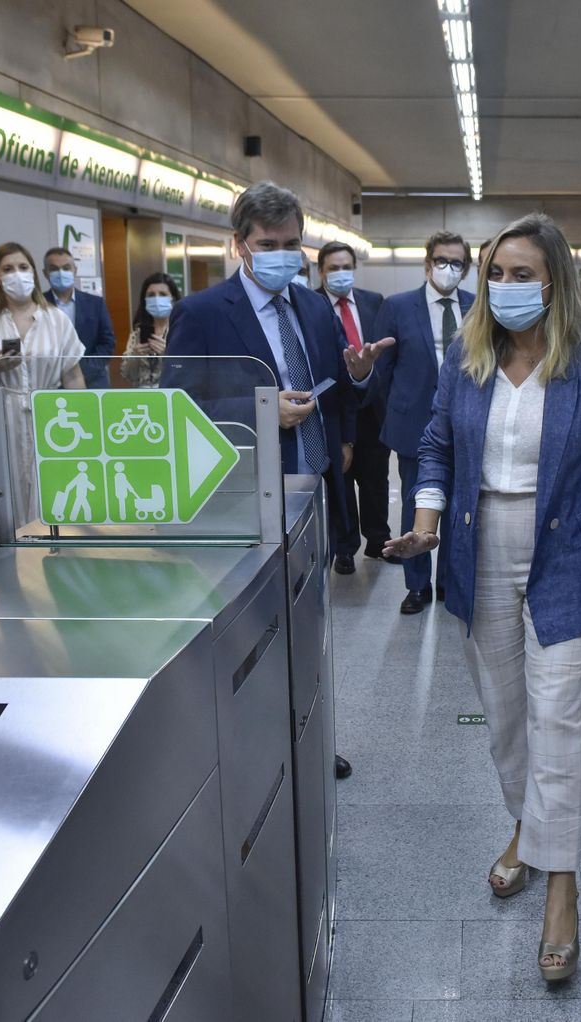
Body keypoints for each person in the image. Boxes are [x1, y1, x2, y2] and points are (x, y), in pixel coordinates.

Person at [384, 212, 581, 983]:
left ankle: (562, 884)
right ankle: (526, 831)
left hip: (571, 549)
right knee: (505, 718)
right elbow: (437, 445)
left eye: (522, 274)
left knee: (556, 714)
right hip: (479, 546)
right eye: (495, 274)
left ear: (555, 282)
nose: (504, 287)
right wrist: (426, 525)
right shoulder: (468, 354)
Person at [165, 181, 380, 783]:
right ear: (240, 245)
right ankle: (254, 750)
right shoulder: (204, 313)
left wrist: (358, 380)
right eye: (268, 244)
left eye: (292, 244)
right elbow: (175, 407)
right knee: (255, 632)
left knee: (310, 625)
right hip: (249, 497)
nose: (282, 255)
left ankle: (310, 738)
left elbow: (337, 388)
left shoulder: (312, 306)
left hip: (315, 490)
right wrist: (261, 410)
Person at [369, 230, 475, 614]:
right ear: (428, 263)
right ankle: (417, 586)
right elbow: (382, 372)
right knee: (416, 502)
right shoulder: (397, 307)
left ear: (466, 269)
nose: (448, 268)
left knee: (458, 507)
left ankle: (448, 582)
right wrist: (398, 413)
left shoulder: (477, 307)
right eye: (441, 260)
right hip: (414, 423)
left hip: (464, 424)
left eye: (456, 262)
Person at [317, 241, 390, 574]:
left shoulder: (374, 301)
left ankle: (378, 540)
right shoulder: (313, 305)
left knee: (375, 479)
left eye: (346, 267)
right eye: (334, 268)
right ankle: (345, 548)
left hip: (371, 405)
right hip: (334, 405)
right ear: (321, 272)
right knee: (341, 480)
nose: (341, 273)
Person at [0, 242, 87, 392]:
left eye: (23, 267)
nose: (17, 274)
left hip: (46, 405)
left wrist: (82, 406)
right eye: (8, 269)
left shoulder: (57, 318)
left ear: (33, 273)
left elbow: (73, 377)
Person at [43, 247, 117, 388]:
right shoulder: (38, 305)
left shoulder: (96, 303)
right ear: (45, 273)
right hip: (51, 384)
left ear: (75, 270)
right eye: (54, 269)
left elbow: (107, 343)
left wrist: (80, 371)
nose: (61, 273)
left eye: (66, 268)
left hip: (93, 381)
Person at [121, 273, 181, 389]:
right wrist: (135, 357)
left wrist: (167, 355)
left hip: (171, 394)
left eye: (162, 294)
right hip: (143, 396)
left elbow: (187, 370)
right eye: (151, 295)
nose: (157, 299)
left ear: (173, 299)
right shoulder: (138, 334)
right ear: (145, 300)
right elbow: (128, 375)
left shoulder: (181, 332)